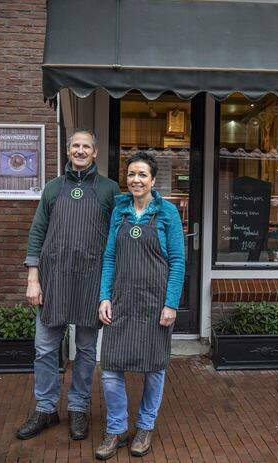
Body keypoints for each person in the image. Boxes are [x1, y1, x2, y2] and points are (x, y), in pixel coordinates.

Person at [17, 129, 120, 442]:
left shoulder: (109, 189)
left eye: (86, 146)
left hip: (91, 281)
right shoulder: (53, 188)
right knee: (45, 349)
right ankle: (46, 408)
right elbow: (37, 233)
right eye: (75, 145)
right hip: (54, 280)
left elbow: (117, 238)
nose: (80, 150)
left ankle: (78, 407)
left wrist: (111, 287)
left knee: (86, 351)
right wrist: (33, 279)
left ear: (95, 152)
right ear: (68, 150)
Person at [95, 151, 185, 460]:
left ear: (153, 180)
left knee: (154, 369)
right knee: (110, 368)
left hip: (154, 303)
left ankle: (145, 427)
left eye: (142, 174)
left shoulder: (167, 212)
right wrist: (104, 296)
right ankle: (117, 428)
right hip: (121, 301)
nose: (136, 179)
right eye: (131, 174)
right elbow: (109, 257)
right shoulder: (119, 211)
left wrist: (171, 304)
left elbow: (178, 261)